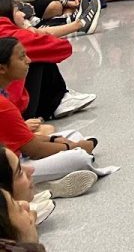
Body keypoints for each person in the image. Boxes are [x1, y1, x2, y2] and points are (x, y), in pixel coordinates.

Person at [0, 39, 114, 197]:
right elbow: (34, 150)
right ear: (2, 68)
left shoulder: (5, 96)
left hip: (18, 152)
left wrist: (59, 141)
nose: (29, 60)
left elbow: (26, 139)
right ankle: (41, 188)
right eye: (21, 58)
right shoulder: (3, 105)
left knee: (73, 135)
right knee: (79, 157)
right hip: (10, 168)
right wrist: (71, 147)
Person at [0, 0, 93, 119]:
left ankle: (79, 24)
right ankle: (57, 100)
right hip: (11, 112)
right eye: (18, 10)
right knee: (38, 53)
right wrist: (29, 31)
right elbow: (62, 47)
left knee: (35, 51)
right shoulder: (10, 35)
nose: (23, 14)